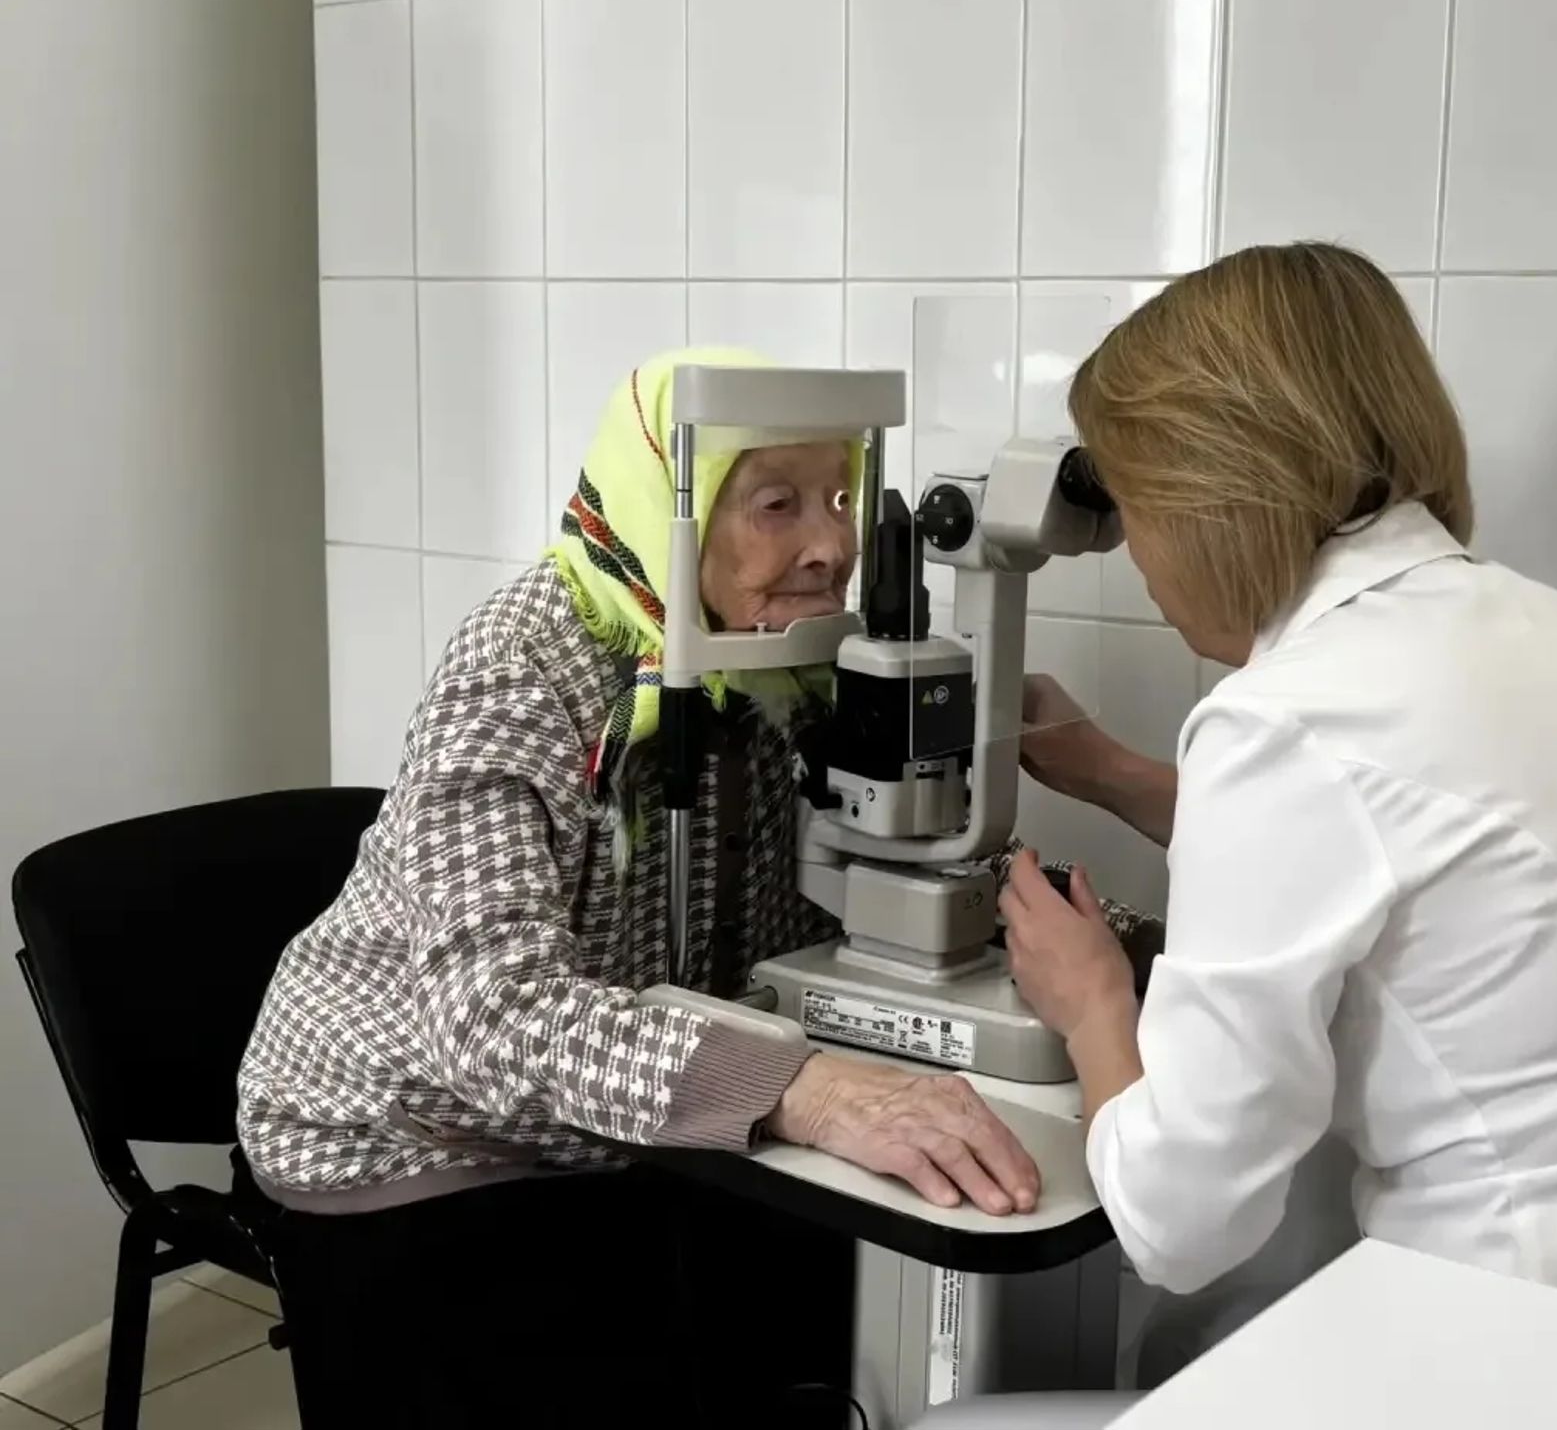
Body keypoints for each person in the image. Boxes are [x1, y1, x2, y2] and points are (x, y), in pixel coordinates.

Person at [997, 243, 1557, 1378]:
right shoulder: (1536, 624)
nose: (1134, 557)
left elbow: (1180, 1221)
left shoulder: (1283, 721)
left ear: (1209, 493)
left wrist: (1092, 1005)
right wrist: (1109, 772)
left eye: (1135, 510)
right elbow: (1400, 857)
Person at [237, 349, 1147, 1425]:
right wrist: (810, 1091)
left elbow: (882, 864)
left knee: (798, 1330)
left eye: (842, 499)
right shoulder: (522, 668)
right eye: (776, 504)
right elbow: (489, 1018)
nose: (829, 546)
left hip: (632, 1129)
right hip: (418, 1140)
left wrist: (1102, 940)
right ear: (671, 506)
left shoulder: (783, 653)